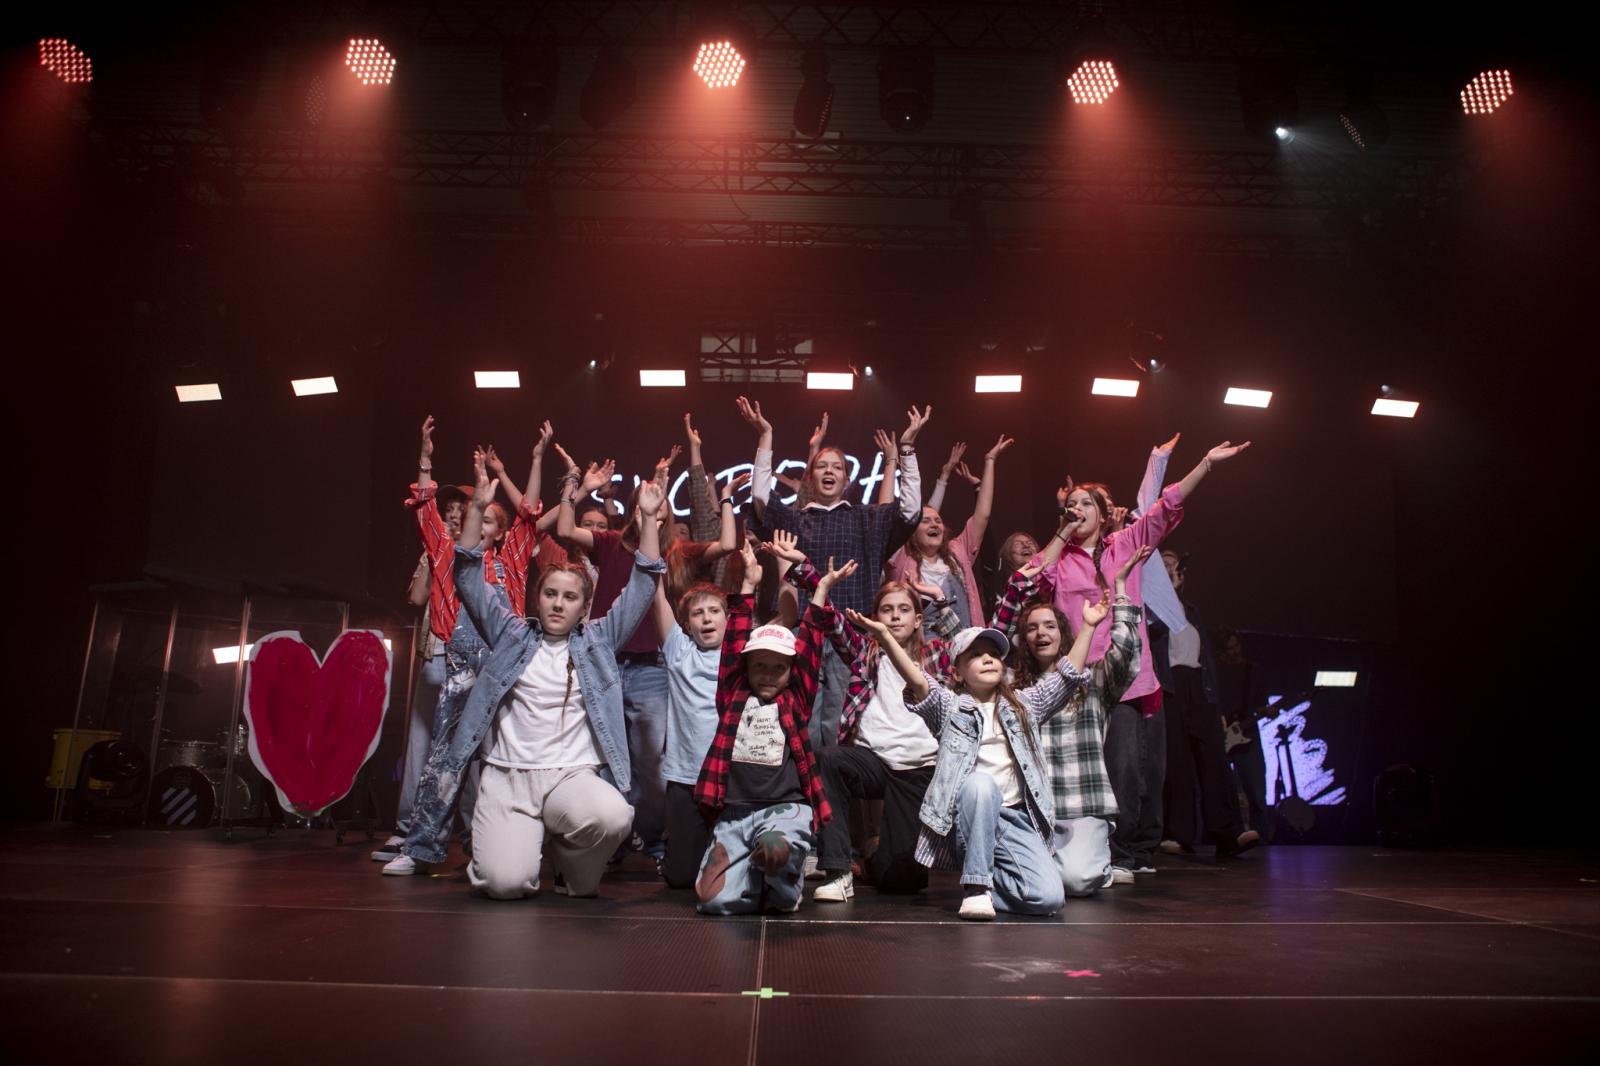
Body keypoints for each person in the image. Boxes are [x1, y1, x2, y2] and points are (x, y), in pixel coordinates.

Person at [392, 463, 666, 896]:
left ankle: (567, 855)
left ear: (584, 606)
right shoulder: (510, 634)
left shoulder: (598, 640)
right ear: (537, 598)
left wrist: (649, 519)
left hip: (572, 778)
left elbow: (644, 583)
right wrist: (476, 511)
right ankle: (520, 839)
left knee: (614, 816)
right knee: (505, 884)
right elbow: (467, 575)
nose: (558, 604)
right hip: (509, 777)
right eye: (550, 594)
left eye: (570, 597)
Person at [1033, 437, 1253, 877]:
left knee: (1126, 766)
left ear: (1103, 512)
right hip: (1076, 677)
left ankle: (1125, 852)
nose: (1077, 509)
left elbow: (1164, 507)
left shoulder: (1125, 543)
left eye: (1086, 504)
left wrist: (1205, 464)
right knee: (1081, 764)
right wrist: (1062, 528)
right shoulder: (1061, 557)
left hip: (1125, 672)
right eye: (1071, 505)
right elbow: (1033, 577)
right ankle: (1077, 848)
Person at [847, 595, 1106, 921]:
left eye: (994, 655)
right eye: (976, 655)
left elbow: (1066, 677)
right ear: (957, 672)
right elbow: (917, 679)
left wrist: (1089, 626)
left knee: (1048, 899)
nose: (988, 659)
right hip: (970, 816)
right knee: (981, 784)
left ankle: (986, 881)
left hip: (1015, 820)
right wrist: (885, 637)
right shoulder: (949, 708)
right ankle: (975, 888)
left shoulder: (1024, 705)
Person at [381, 421, 538, 872]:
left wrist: (534, 460)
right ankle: (421, 848)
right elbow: (425, 508)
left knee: (502, 764)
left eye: (487, 518)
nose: (478, 522)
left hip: (505, 670)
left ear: (500, 531)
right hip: (460, 666)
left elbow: (528, 514)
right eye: (475, 515)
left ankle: (490, 850)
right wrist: (425, 458)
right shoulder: (446, 555)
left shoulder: (511, 563)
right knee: (445, 761)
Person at [740, 397, 931, 748]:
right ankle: (808, 784)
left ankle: (837, 785)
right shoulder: (795, 520)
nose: (829, 471)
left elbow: (910, 511)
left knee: (844, 728)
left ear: (846, 478)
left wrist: (906, 450)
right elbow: (761, 499)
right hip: (806, 636)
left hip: (852, 638)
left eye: (837, 467)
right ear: (810, 477)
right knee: (802, 728)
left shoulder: (866, 519)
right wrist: (765, 436)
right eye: (822, 466)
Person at [691, 540, 851, 915]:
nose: (767, 674)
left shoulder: (795, 699)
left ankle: (782, 882)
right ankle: (754, 875)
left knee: (776, 852)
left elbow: (810, 641)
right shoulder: (733, 695)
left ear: (790, 673)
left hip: (784, 811)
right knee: (713, 902)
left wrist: (821, 590)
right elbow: (734, 642)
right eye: (759, 666)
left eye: (778, 668)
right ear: (746, 669)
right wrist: (748, 583)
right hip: (737, 813)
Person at [1010, 548, 1150, 895]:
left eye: (1049, 625)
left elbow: (1126, 655)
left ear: (1063, 633)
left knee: (1075, 881)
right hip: (1033, 809)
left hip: (1080, 805)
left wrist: (1121, 591)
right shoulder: (1015, 689)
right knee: (1031, 883)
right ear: (1024, 641)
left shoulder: (1091, 682)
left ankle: (1095, 863)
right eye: (1032, 628)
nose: (1041, 633)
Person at [1153, 549, 1260, 859]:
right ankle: (1178, 834)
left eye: (1174, 564)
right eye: (1164, 564)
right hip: (1170, 685)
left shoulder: (1193, 612)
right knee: (1178, 761)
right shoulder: (1152, 608)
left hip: (1199, 685)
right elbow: (1156, 633)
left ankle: (1228, 833)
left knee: (1214, 757)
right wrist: (1166, 590)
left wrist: (1217, 705)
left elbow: (1207, 660)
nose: (1171, 568)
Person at [886, 435, 1014, 638]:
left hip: (963, 647)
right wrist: (896, 458)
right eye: (925, 521)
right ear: (911, 530)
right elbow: (885, 514)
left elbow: (982, 515)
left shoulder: (957, 551)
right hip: (921, 651)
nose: (934, 523)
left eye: (938, 520)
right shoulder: (901, 557)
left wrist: (990, 461)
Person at [1214, 626, 1271, 837]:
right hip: (1220, 736)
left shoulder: (1253, 671)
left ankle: (1261, 837)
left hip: (1248, 737)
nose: (1234, 652)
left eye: (1236, 646)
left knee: (1256, 791)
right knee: (1219, 793)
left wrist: (1266, 711)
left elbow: (1261, 704)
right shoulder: (1215, 672)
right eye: (1229, 649)